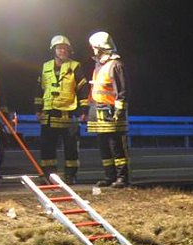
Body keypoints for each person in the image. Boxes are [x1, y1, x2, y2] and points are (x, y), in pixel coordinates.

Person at [34, 35, 89, 184]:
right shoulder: (45, 66)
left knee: (71, 147)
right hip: (49, 113)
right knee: (47, 147)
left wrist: (84, 111)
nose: (62, 51)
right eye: (59, 48)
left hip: (69, 114)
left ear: (69, 51)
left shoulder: (75, 66)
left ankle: (70, 176)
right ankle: (49, 176)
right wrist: (37, 109)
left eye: (65, 48)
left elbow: (83, 89)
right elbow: (39, 89)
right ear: (54, 50)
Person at [87, 31, 129, 188]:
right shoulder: (99, 66)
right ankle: (109, 176)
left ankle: (122, 177)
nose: (93, 50)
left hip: (111, 112)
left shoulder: (115, 65)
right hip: (99, 111)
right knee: (104, 147)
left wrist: (119, 111)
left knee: (116, 147)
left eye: (94, 47)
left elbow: (122, 91)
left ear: (100, 47)